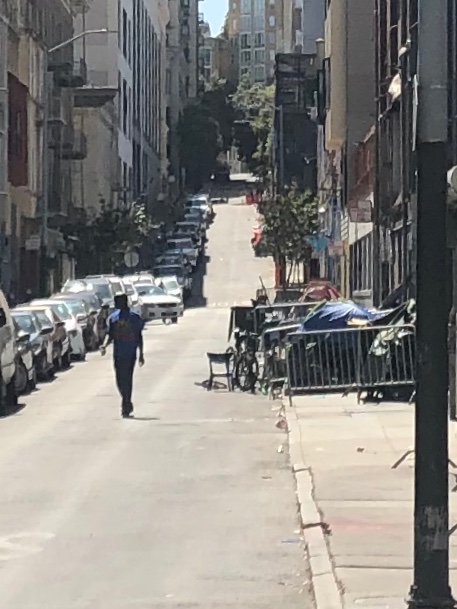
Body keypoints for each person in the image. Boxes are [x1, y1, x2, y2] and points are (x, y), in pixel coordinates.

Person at [100, 293, 145, 417]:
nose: (115, 304)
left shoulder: (134, 318)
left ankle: (126, 405)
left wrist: (141, 354)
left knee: (127, 379)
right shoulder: (113, 318)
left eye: (117, 301)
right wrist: (104, 345)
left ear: (124, 302)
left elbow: (139, 336)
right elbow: (110, 335)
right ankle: (126, 400)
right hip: (118, 354)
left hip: (130, 353)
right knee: (119, 380)